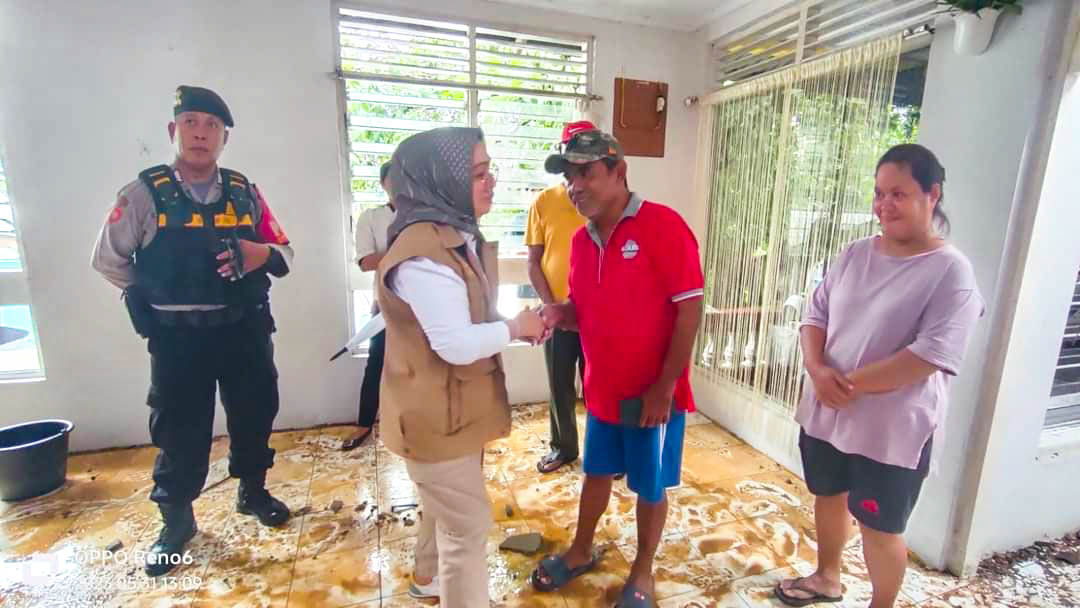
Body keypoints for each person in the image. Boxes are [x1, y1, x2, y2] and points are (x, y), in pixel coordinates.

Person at [91, 85, 294, 577]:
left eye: (212, 126)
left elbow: (284, 251)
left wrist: (259, 254)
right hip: (178, 338)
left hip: (243, 329)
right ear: (173, 130)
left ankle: (253, 492)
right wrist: (153, 290)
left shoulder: (245, 192)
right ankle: (177, 523)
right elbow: (108, 259)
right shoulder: (143, 194)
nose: (201, 133)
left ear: (224, 138)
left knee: (255, 411)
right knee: (179, 428)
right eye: (191, 123)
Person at [775, 144, 984, 608]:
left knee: (880, 525)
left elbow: (931, 354)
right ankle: (827, 577)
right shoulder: (855, 253)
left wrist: (846, 384)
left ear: (932, 194)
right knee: (828, 496)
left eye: (898, 194)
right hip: (829, 409)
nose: (884, 205)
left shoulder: (951, 272)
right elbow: (815, 314)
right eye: (879, 193)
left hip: (892, 429)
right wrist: (817, 369)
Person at [531, 129, 704, 607]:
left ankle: (643, 570)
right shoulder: (581, 242)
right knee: (596, 472)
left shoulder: (663, 226)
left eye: (585, 173)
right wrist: (557, 314)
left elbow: (689, 310)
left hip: (653, 396)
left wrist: (664, 387)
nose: (574, 186)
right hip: (604, 391)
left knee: (650, 486)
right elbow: (584, 310)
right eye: (569, 177)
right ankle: (581, 550)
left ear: (618, 171)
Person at [375, 127, 547, 606]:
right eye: (477, 173)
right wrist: (515, 327)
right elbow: (454, 344)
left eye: (490, 169)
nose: (491, 182)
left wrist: (519, 327)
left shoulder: (453, 235)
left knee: (446, 511)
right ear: (440, 180)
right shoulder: (424, 255)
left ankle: (427, 577)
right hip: (434, 417)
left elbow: (464, 318)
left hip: (452, 408)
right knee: (466, 530)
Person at [526, 120, 593, 474]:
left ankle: (605, 453)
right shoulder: (543, 202)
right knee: (559, 385)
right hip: (557, 313)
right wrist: (551, 306)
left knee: (600, 388)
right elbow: (534, 261)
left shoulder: (603, 203)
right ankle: (563, 448)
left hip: (597, 315)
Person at [342, 161, 395, 450]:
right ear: (383, 184)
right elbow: (365, 261)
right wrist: (404, 251)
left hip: (425, 305)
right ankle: (364, 424)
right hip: (386, 304)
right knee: (376, 364)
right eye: (394, 178)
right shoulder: (372, 218)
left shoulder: (426, 216)